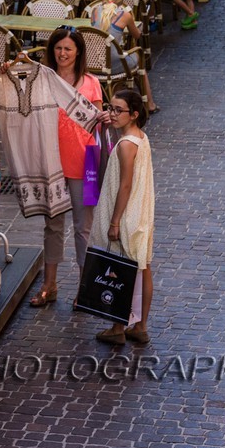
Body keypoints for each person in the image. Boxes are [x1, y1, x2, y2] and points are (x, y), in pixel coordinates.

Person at [26, 28, 104, 309]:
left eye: (68, 49)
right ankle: (50, 285)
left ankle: (85, 288)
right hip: (52, 162)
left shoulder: (92, 83)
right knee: (53, 225)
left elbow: (98, 127)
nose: (62, 53)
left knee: (84, 228)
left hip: (86, 163)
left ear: (78, 52)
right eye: (58, 48)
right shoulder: (44, 81)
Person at [91, 87, 155, 346]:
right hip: (141, 214)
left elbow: (125, 184)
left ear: (134, 114)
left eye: (119, 110)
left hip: (126, 215)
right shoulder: (140, 137)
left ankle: (118, 326)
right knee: (143, 267)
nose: (112, 114)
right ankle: (140, 326)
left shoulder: (126, 145)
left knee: (119, 270)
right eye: (110, 108)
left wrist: (115, 221)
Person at [90, 0, 157, 113]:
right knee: (138, 57)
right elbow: (137, 35)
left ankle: (114, 96)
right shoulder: (125, 15)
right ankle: (150, 104)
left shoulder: (94, 11)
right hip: (113, 65)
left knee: (118, 56)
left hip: (95, 64)